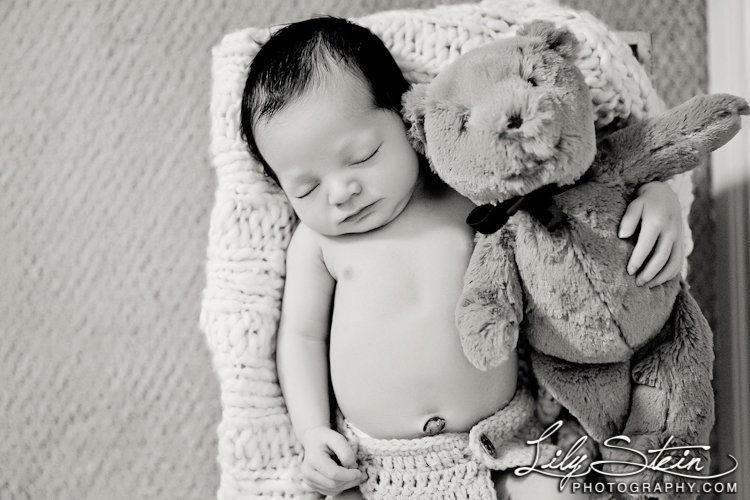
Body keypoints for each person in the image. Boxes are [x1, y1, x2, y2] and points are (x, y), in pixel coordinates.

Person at [240, 16, 685, 499]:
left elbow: (573, 182)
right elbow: (302, 337)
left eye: (363, 155)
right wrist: (311, 434)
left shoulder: (463, 186)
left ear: (407, 116)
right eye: (306, 187)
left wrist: (654, 194)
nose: (341, 192)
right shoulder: (317, 242)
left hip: (504, 439)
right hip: (371, 467)